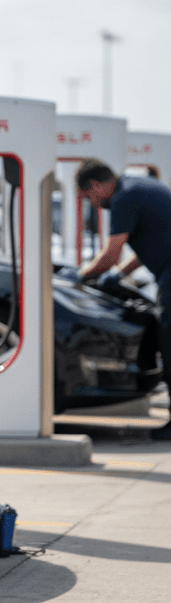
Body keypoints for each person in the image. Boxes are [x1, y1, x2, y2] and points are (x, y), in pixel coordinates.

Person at [76, 158, 171, 440]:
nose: (93, 204)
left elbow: (111, 252)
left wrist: (82, 275)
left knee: (170, 342)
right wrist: (119, 274)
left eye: (88, 197)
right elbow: (152, 242)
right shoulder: (140, 185)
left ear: (96, 186)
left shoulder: (123, 198)